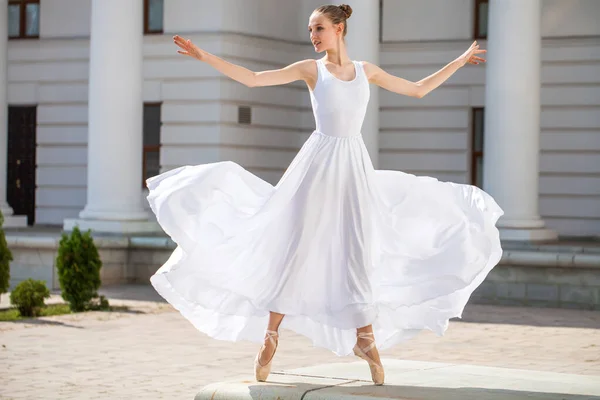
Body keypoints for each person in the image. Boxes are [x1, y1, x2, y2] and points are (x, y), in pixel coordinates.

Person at [147, 4, 502, 386]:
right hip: (316, 167)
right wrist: (204, 55)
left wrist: (460, 62)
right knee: (296, 246)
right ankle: (271, 334)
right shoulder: (311, 70)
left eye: (319, 28)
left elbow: (417, 90)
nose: (313, 36)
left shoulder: (367, 72)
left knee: (357, 248)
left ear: (339, 28)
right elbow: (252, 78)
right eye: (310, 29)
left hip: (353, 168)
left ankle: (364, 338)